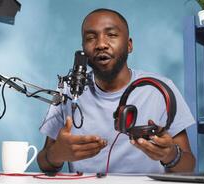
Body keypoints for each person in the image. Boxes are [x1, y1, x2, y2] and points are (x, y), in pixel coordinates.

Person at [37, 8, 195, 174]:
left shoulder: (160, 89)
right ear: (83, 48)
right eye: (90, 38)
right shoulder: (69, 90)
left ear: (129, 45)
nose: (101, 44)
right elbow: (44, 162)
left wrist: (170, 154)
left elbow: (188, 166)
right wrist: (56, 155)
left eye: (111, 35)